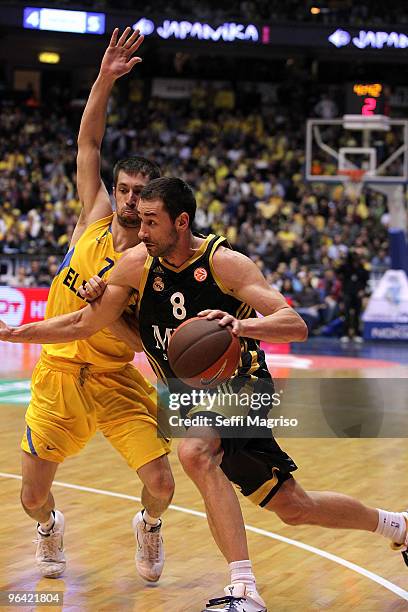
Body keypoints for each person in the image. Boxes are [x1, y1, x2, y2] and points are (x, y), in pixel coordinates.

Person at [1, 178, 407, 612]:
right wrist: (12, 332)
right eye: (141, 222)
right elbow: (82, 323)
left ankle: (244, 589)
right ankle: (397, 527)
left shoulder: (225, 263)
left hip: (243, 384)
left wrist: (242, 326)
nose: (141, 232)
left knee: (195, 452)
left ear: (181, 221)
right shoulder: (136, 264)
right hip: (189, 397)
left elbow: (295, 324)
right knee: (292, 505)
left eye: (151, 223)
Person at [7, 28, 174, 582]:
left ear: (156, 203)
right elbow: (88, 145)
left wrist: (112, 313)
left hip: (114, 378)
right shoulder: (93, 218)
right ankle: (49, 527)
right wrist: (104, 78)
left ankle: (148, 527)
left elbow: (141, 345)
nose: (127, 199)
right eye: (123, 188)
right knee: (33, 495)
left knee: (163, 484)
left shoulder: (156, 267)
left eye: (138, 194)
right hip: (57, 375)